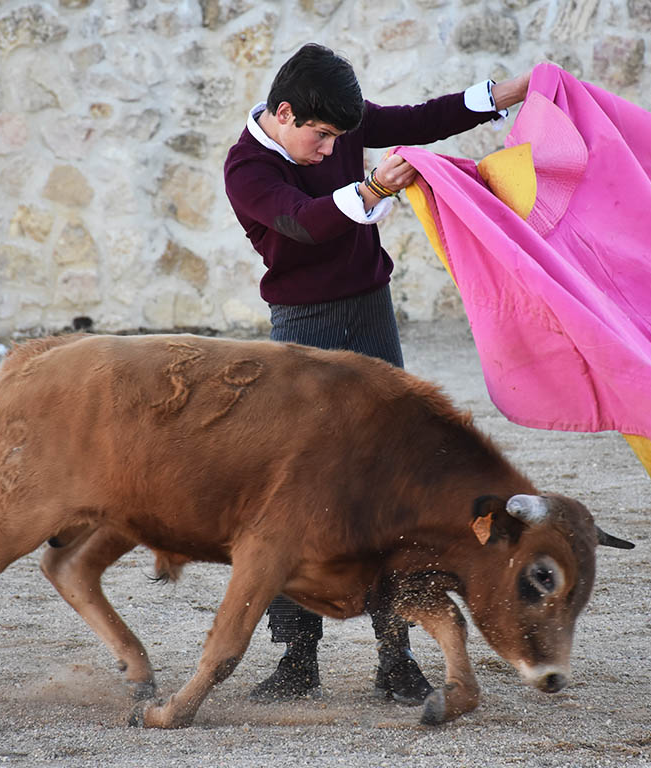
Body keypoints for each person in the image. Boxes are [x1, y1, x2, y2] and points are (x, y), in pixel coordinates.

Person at [223, 43, 531, 705]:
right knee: (299, 492)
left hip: (369, 316)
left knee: (394, 481)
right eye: (322, 136)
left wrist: (508, 93)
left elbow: (420, 120)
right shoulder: (245, 168)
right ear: (282, 113)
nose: (333, 147)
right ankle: (296, 658)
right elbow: (303, 226)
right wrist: (371, 188)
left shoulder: (332, 120)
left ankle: (397, 658)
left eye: (341, 137)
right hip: (302, 335)